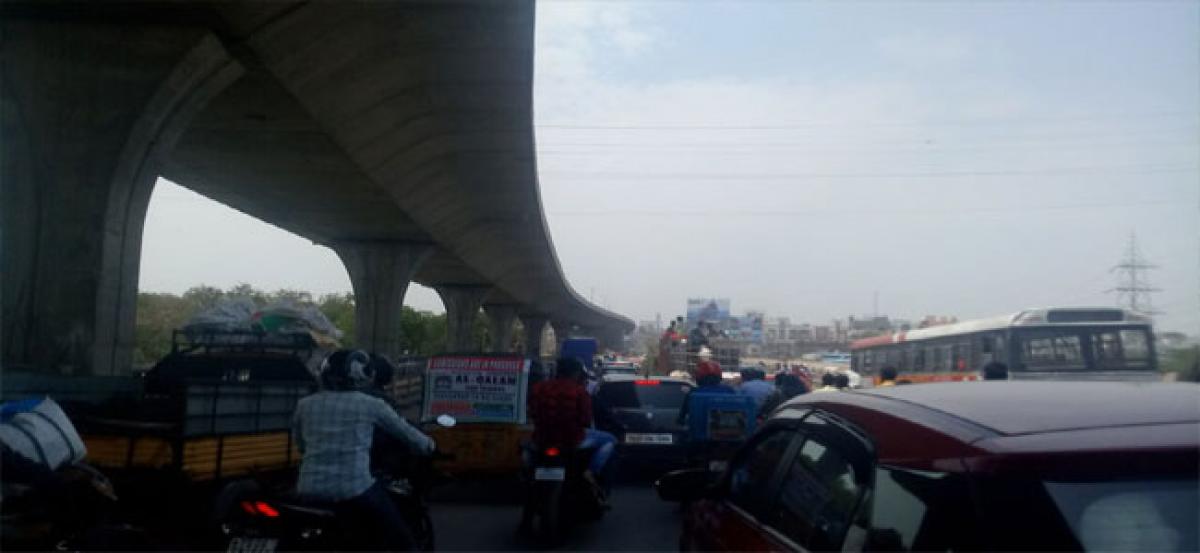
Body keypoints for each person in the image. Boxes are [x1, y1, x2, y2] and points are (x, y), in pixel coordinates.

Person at [292, 349, 436, 551]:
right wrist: (429, 446)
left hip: (308, 489)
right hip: (355, 490)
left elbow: (301, 444)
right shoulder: (371, 405)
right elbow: (408, 434)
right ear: (362, 375)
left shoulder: (305, 405)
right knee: (402, 539)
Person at [528, 357, 616, 492]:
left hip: (542, 438)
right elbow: (585, 420)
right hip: (572, 440)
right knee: (610, 439)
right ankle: (591, 472)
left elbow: (532, 413)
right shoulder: (579, 392)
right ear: (576, 373)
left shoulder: (539, 388)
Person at [676, 358, 735, 426]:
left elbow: (681, 417)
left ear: (699, 377)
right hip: (725, 431)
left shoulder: (693, 393)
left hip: (698, 432)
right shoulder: (729, 391)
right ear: (719, 377)